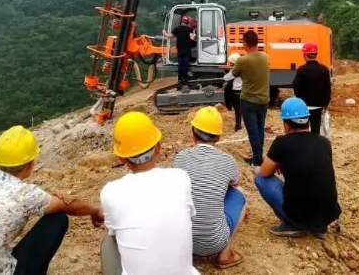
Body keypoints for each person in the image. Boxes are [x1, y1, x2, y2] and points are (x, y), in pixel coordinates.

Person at [0, 125, 104, 275]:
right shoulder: (24, 194)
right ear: (31, 163)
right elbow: (68, 206)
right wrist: (94, 211)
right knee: (57, 219)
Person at [100, 111, 201, 275]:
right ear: (158, 147)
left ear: (121, 159)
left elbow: (113, 232)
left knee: (109, 241)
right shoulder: (180, 178)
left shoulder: (110, 192)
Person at [255, 97, 341, 238]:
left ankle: (293, 224)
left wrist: (280, 163)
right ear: (307, 120)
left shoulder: (281, 143)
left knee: (260, 179)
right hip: (327, 214)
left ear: (286, 125)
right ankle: (319, 228)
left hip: (299, 214)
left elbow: (264, 172)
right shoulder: (324, 143)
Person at [173, 107, 246, 270]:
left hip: (183, 242)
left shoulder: (180, 158)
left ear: (193, 133)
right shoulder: (227, 161)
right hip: (214, 242)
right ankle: (225, 254)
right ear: (218, 136)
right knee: (240, 194)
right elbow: (234, 184)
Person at [231, 30, 270, 167]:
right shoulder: (265, 56)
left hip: (248, 100)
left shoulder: (243, 60)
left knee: (253, 130)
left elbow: (234, 73)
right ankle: (258, 155)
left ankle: (257, 159)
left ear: (245, 43)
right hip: (263, 100)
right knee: (260, 128)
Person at [293, 41, 332, 134]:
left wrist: (300, 100)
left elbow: (296, 87)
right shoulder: (324, 69)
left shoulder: (301, 70)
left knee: (303, 129)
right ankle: (315, 145)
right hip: (318, 106)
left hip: (304, 105)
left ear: (305, 55)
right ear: (316, 54)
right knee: (316, 129)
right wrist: (325, 103)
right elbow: (328, 89)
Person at [162, 15, 196, 87]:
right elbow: (192, 38)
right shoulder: (189, 29)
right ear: (187, 22)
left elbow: (169, 36)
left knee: (180, 65)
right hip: (187, 50)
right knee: (185, 65)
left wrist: (164, 32)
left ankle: (180, 79)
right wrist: (194, 33)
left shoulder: (177, 29)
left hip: (180, 50)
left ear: (181, 21)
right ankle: (185, 79)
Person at [223, 52, 243, 132]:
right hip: (244, 91)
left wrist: (228, 71)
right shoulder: (244, 67)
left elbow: (226, 78)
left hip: (236, 92)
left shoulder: (235, 70)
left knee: (237, 110)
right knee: (242, 109)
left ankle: (238, 126)